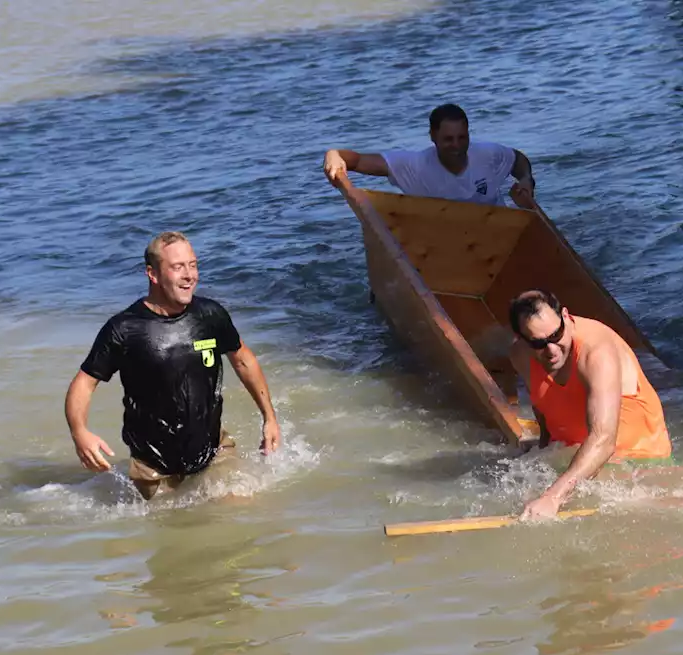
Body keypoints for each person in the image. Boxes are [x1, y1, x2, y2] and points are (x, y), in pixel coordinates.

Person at [64, 231, 282, 500]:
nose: (190, 275)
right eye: (178, 267)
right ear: (152, 274)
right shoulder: (124, 329)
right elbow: (85, 383)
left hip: (214, 451)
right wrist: (79, 432)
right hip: (153, 468)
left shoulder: (210, 316)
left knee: (242, 514)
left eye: (193, 265)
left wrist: (269, 417)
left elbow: (243, 360)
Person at [507, 289, 673, 520]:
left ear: (566, 316)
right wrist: (542, 449)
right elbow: (541, 405)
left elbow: (604, 440)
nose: (552, 350)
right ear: (522, 339)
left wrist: (553, 496)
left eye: (556, 336)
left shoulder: (596, 352)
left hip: (636, 461)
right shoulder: (520, 354)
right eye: (539, 343)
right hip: (573, 453)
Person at [323, 103, 537, 208]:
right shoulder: (414, 166)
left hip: (499, 231)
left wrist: (526, 179)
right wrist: (334, 154)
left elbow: (517, 159)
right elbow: (358, 161)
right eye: (448, 139)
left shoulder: (487, 154)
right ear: (432, 137)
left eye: (462, 137)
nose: (456, 146)